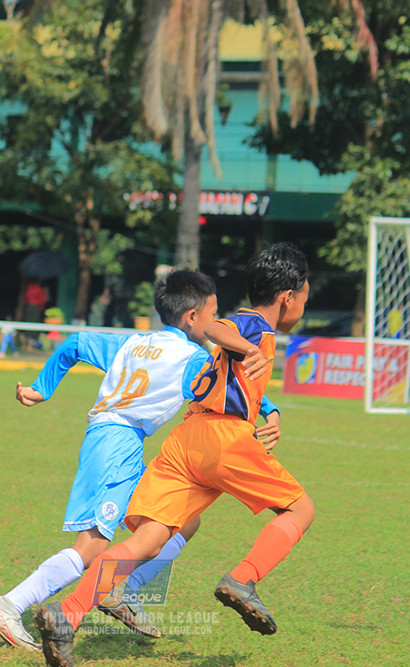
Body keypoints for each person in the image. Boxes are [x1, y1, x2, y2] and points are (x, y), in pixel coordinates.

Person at [34, 242, 313, 667]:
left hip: (187, 440)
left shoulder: (248, 326)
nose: (304, 306)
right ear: (288, 297)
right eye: (306, 297)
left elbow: (224, 365)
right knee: (300, 510)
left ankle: (66, 615)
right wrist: (249, 348)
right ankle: (242, 580)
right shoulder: (253, 324)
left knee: (145, 542)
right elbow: (218, 328)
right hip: (224, 438)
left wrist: (268, 410)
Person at [0, 270, 282, 651]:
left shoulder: (134, 343)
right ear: (192, 318)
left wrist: (42, 388)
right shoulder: (191, 359)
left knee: (185, 521)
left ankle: (121, 590)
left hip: (113, 439)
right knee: (91, 546)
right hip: (117, 443)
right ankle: (9, 605)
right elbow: (229, 390)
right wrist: (271, 410)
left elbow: (75, 343)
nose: (216, 322)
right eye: (213, 313)